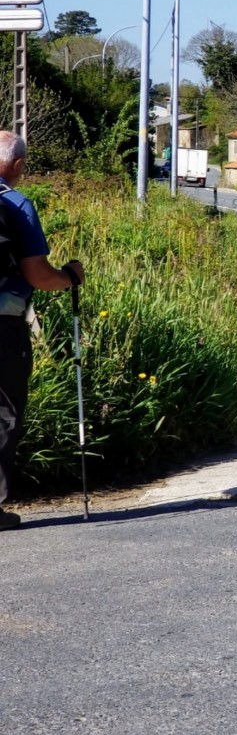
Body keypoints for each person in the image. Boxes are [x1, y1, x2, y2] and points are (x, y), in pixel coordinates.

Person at [0, 131, 83, 530]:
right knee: (3, 412)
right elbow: (38, 275)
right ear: (16, 166)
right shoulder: (14, 204)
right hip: (3, 328)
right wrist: (70, 277)